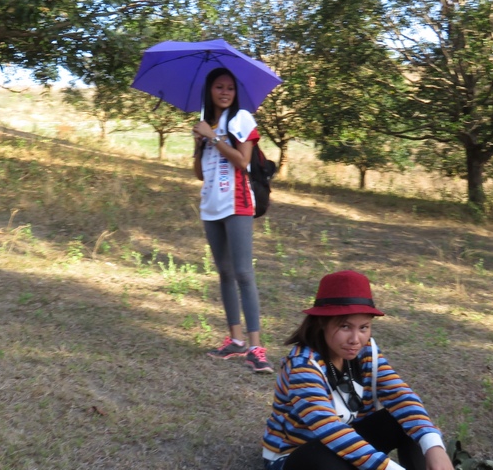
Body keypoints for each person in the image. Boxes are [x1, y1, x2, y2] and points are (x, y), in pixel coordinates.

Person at [262, 270, 454, 470]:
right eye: (345, 326)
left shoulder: (366, 351)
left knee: (405, 420)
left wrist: (433, 446)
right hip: (300, 454)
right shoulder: (303, 365)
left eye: (363, 327)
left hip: (349, 444)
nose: (355, 339)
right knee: (323, 462)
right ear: (322, 322)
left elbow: (400, 395)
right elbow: (330, 430)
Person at [191, 67, 273, 374]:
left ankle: (256, 348)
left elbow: (242, 161)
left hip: (237, 203)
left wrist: (213, 138)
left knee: (243, 273)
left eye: (230, 87)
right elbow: (199, 174)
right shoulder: (205, 123)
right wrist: (200, 142)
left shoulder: (242, 119)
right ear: (209, 90)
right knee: (224, 272)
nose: (225, 92)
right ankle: (235, 340)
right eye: (219, 87)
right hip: (210, 205)